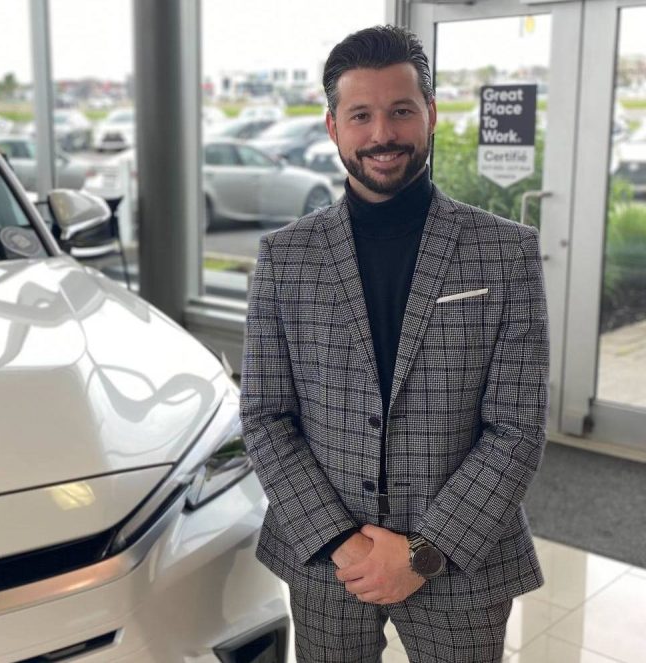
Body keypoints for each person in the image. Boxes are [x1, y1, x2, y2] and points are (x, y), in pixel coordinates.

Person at [241, 25, 549, 663]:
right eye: (361, 115)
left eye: (401, 111)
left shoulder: (506, 252)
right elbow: (266, 416)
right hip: (328, 561)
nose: (382, 133)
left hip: (460, 563)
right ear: (333, 126)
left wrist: (423, 554)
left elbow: (517, 426)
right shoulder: (284, 256)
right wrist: (341, 543)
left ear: (431, 114)